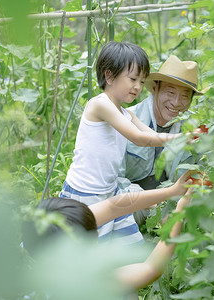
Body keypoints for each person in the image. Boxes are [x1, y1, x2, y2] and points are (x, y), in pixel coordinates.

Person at [60, 42, 183, 245]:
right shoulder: (100, 104)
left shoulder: (125, 113)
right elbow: (140, 138)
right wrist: (181, 139)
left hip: (111, 190)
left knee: (131, 246)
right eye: (133, 79)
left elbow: (151, 134)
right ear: (109, 76)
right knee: (87, 249)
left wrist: (186, 139)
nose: (137, 87)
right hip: (87, 193)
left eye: (141, 82)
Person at [23, 174, 193, 297]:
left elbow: (113, 207)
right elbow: (151, 268)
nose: (97, 232)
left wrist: (172, 191)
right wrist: (179, 213)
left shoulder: (55, 229)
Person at [118, 55, 208, 223]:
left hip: (171, 204)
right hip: (130, 204)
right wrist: (154, 205)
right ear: (155, 88)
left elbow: (200, 177)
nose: (176, 102)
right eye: (171, 92)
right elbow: (113, 182)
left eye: (184, 96)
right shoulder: (126, 119)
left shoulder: (193, 130)